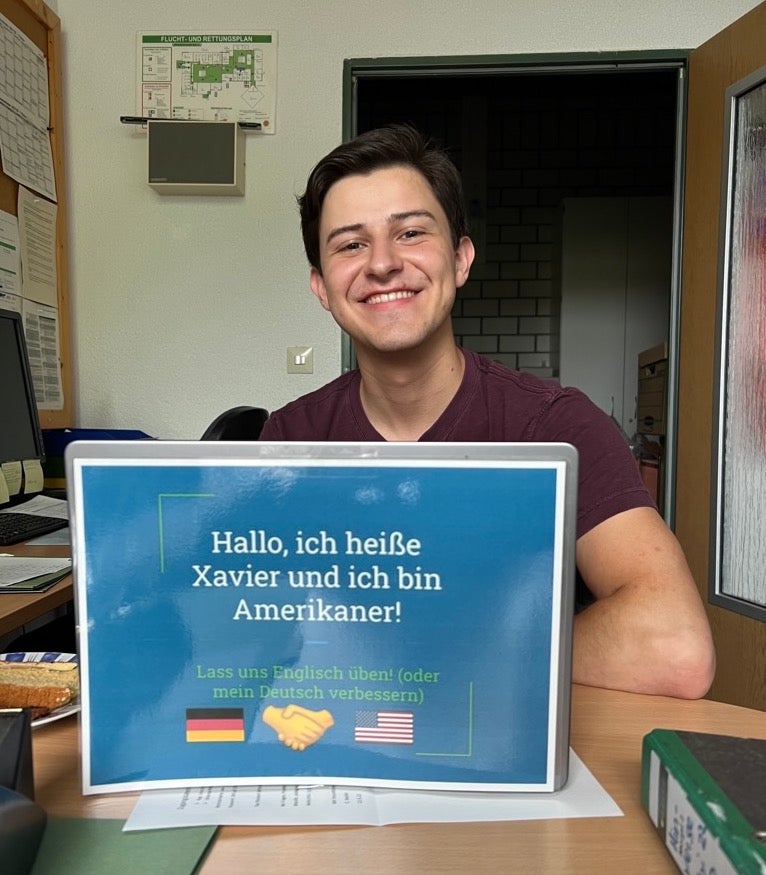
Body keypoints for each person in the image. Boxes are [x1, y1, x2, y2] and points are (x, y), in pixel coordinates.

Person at [261, 123, 715, 699]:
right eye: (350, 244)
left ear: (461, 259)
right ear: (322, 287)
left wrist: (437, 649)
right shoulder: (292, 436)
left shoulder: (557, 426)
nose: (381, 264)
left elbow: (673, 647)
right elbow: (270, 637)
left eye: (410, 233)